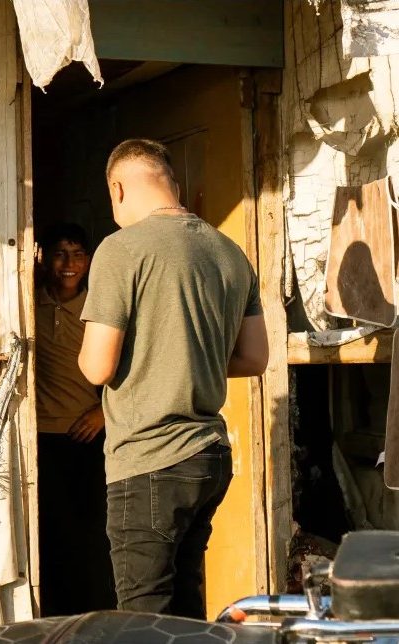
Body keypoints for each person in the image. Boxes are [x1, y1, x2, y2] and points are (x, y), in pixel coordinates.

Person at [78, 139, 269, 618]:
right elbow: (254, 358)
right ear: (172, 184)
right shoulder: (229, 251)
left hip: (149, 458)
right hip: (209, 456)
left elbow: (97, 366)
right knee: (185, 607)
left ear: (117, 188)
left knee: (142, 616)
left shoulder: (121, 249)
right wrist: (185, 354)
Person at [34, 221, 116, 616]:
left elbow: (131, 366)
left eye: (78, 254)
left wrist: (103, 413)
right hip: (38, 439)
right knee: (50, 536)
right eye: (59, 253)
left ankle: (95, 617)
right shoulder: (26, 303)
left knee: (92, 536)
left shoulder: (100, 308)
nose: (69, 263)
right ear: (44, 258)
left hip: (88, 439)